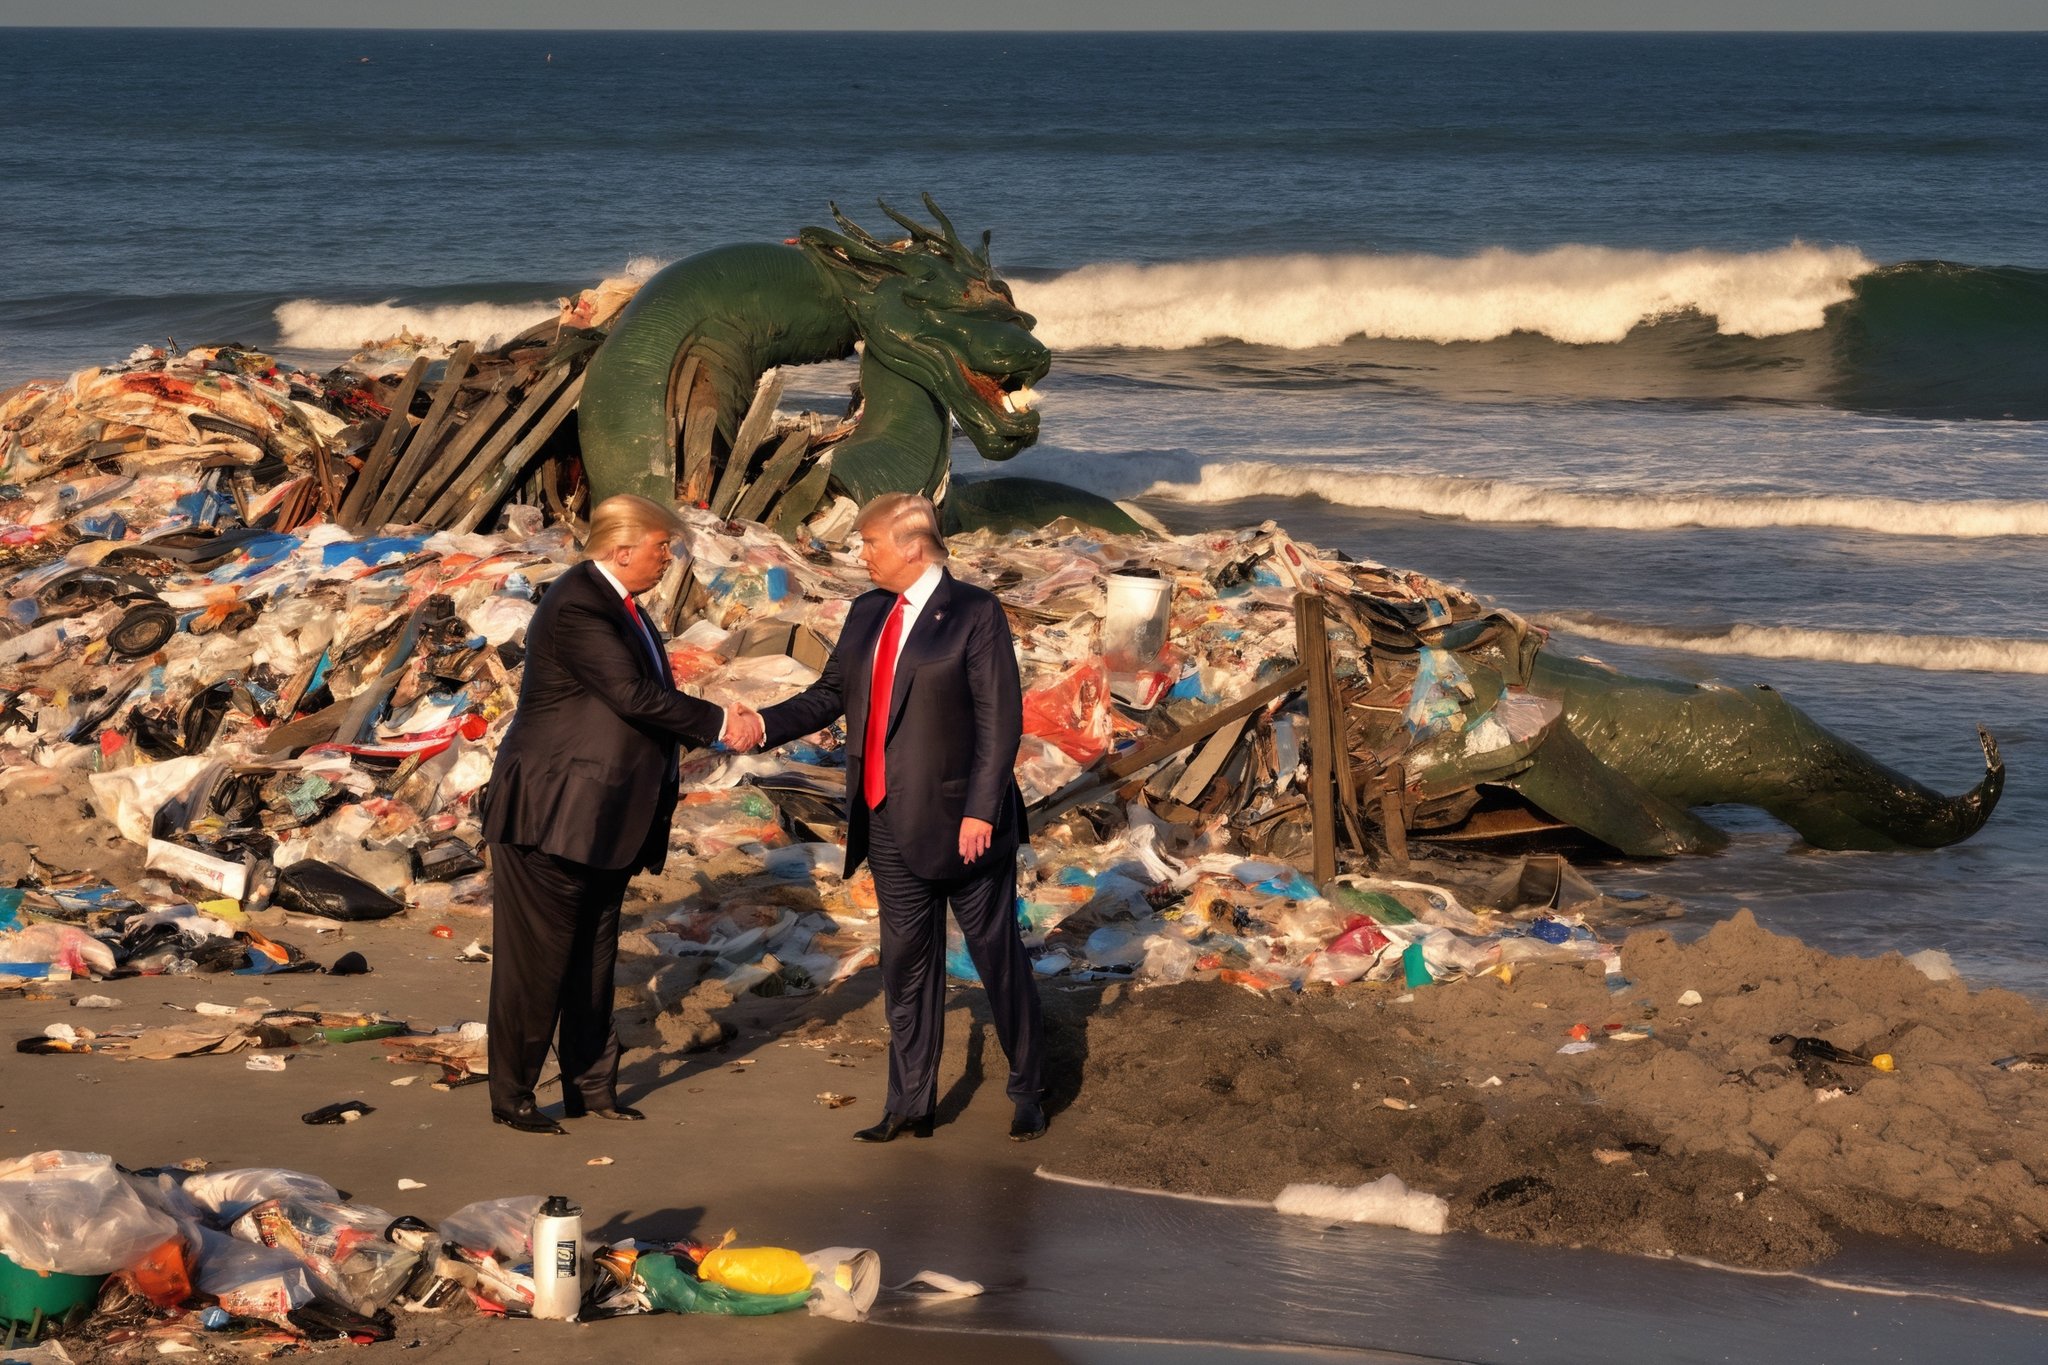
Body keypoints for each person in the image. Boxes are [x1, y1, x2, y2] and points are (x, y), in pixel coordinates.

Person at [748, 492, 1047, 1142]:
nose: (861, 554)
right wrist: (762, 724)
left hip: (965, 823)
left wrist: (981, 811)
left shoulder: (974, 612)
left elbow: (1001, 721)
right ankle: (910, 1104)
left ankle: (1029, 1084)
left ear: (912, 545)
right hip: (885, 819)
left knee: (995, 955)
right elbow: (831, 694)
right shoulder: (866, 612)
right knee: (904, 964)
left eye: (870, 543)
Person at [482, 493, 762, 1134]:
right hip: (553, 812)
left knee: (593, 956)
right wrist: (721, 722)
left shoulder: (623, 607)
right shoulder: (579, 603)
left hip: (605, 817)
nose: (670, 558)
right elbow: (634, 695)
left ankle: (592, 1086)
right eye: (664, 546)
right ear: (622, 547)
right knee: (539, 959)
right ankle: (514, 1096)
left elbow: (646, 698)